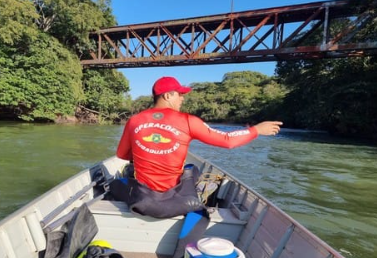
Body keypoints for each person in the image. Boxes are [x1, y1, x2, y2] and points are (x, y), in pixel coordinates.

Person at [112, 76, 282, 218]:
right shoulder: (188, 121)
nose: (182, 98)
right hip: (173, 195)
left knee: (125, 174)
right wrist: (255, 130)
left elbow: (122, 154)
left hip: (143, 195)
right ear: (168, 96)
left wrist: (147, 151)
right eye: (179, 94)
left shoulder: (134, 120)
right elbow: (227, 140)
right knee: (192, 169)